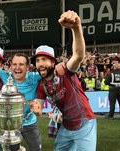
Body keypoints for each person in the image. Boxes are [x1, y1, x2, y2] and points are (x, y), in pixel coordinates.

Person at [31, 10, 97, 151]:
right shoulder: (41, 85)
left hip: (84, 122)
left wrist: (76, 28)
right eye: (37, 60)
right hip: (66, 126)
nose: (40, 63)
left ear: (53, 62)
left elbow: (78, 55)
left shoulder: (65, 71)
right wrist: (36, 109)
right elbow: (39, 109)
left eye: (44, 59)